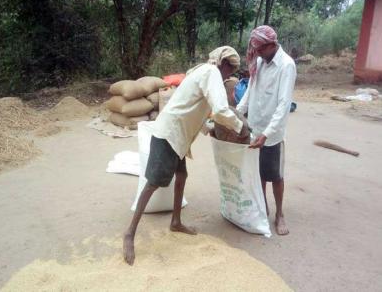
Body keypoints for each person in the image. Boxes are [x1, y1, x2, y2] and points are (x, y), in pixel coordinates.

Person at [123, 46, 250, 265]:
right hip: (169, 134)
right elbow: (220, 110)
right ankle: (130, 234)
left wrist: (208, 128)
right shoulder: (211, 74)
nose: (231, 74)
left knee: (182, 175)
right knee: (153, 183)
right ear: (224, 63)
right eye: (231, 69)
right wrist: (241, 127)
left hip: (177, 135)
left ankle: (175, 222)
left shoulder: (200, 72)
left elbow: (194, 107)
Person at [236, 25, 296, 235]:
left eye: (261, 49)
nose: (257, 53)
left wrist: (266, 133)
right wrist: (236, 113)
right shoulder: (260, 62)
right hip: (255, 128)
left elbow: (283, 105)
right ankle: (263, 208)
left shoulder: (286, 66)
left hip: (271, 135)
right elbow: (250, 90)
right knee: (259, 174)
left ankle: (279, 214)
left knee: (275, 176)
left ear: (272, 45)